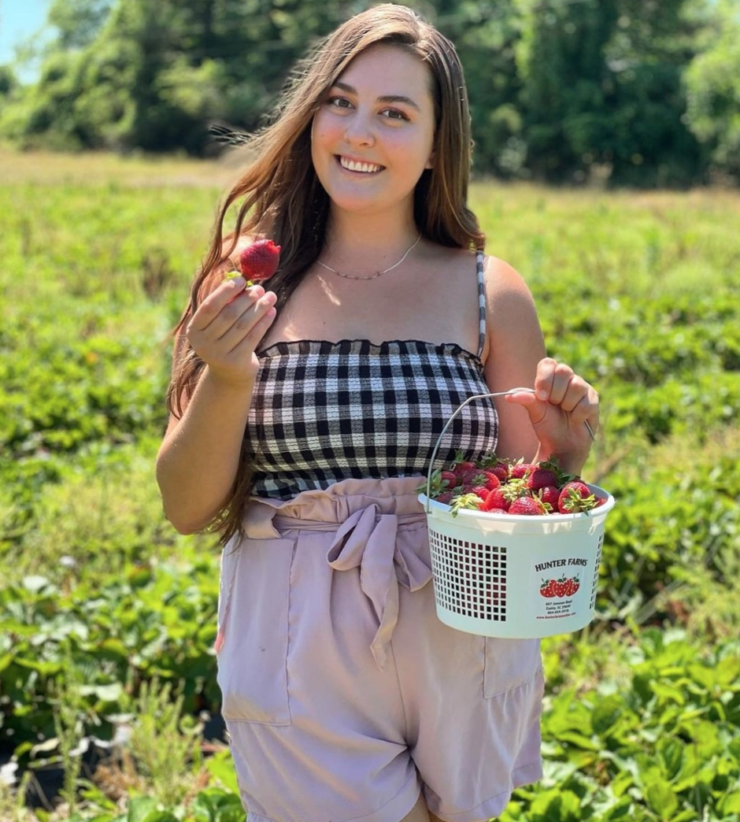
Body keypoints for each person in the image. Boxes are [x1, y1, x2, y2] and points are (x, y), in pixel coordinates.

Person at [156, 5, 599, 822]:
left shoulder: (487, 290)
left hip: (464, 627)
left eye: (395, 113)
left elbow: (519, 510)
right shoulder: (253, 282)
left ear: (437, 146)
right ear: (312, 113)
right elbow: (185, 504)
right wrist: (224, 377)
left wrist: (561, 464)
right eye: (341, 101)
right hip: (296, 629)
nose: (358, 132)